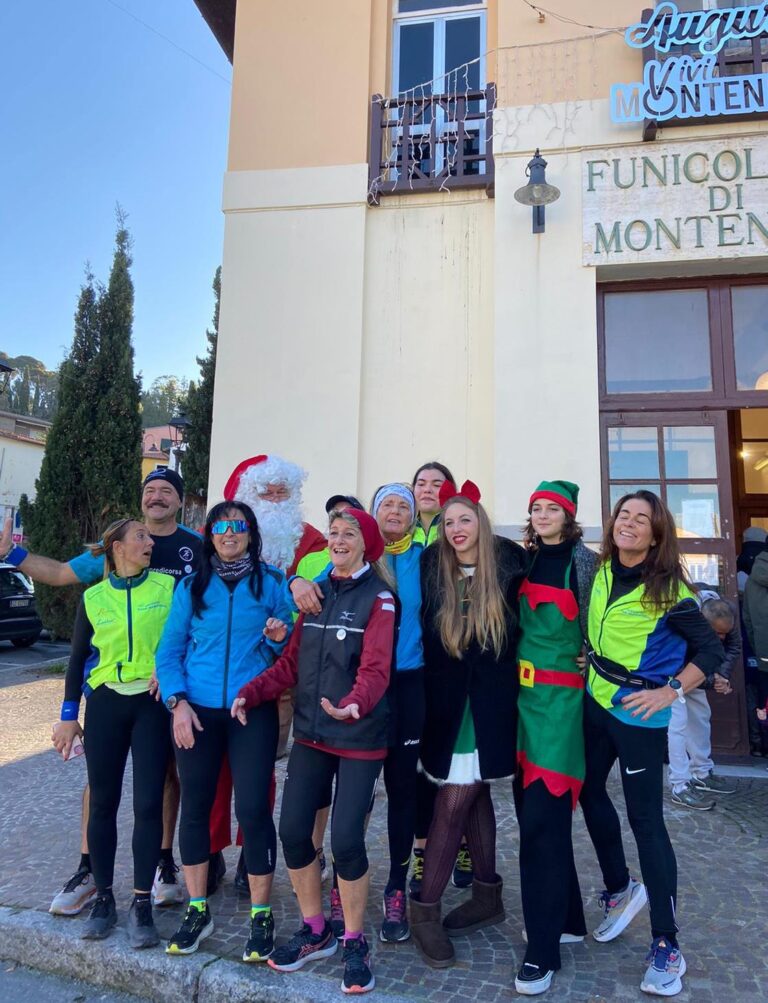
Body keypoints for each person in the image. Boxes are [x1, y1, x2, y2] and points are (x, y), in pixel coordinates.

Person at [10, 469, 202, 915]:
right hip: (108, 695)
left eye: (166, 491)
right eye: (150, 490)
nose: (157, 497)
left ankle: (162, 864)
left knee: (165, 778)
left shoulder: (195, 548)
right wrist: (12, 554)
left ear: (179, 501)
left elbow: (203, 616)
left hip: (160, 694)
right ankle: (90, 871)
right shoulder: (111, 551)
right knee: (100, 786)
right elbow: (60, 572)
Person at [232, 507, 396, 995]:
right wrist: (252, 692)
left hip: (358, 736)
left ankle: (354, 941)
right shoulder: (316, 594)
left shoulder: (380, 599)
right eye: (334, 533)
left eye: (349, 534)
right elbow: (290, 665)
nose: (338, 541)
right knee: (293, 832)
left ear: (366, 544)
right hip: (311, 733)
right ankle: (315, 930)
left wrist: (353, 704)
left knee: (345, 840)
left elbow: (376, 670)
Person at [579, 490, 724, 998]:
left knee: (646, 822)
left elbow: (710, 651)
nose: (629, 523)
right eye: (624, 515)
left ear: (657, 533)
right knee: (586, 789)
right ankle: (620, 889)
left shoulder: (672, 590)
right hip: (595, 702)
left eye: (642, 519)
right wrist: (590, 656)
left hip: (639, 715)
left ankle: (667, 943)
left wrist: (671, 690)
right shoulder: (601, 570)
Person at [156, 501, 293, 960]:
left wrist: (278, 640)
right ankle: (198, 909)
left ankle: (261, 913)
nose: (229, 533)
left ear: (251, 533)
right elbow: (169, 651)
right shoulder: (192, 585)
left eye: (237, 526)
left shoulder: (272, 583)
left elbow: (290, 647)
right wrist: (176, 703)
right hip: (196, 711)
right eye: (220, 527)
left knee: (253, 809)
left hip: (249, 709)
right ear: (209, 535)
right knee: (195, 807)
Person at [410, 480, 525, 969]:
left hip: (493, 703)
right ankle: (485, 895)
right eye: (448, 522)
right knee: (470, 795)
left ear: (481, 521)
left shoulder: (510, 565)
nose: (456, 529)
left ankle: (425, 909)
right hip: (448, 705)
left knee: (456, 799)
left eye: (465, 519)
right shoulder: (431, 567)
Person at [51, 519, 175, 946]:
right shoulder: (93, 597)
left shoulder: (167, 588)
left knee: (148, 803)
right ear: (117, 547)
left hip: (151, 704)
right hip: (105, 704)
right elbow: (76, 659)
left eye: (149, 537)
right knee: (103, 802)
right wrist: (69, 715)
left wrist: (169, 670)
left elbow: (182, 640)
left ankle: (142, 903)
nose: (149, 542)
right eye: (140, 536)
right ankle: (103, 898)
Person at [513, 480, 597, 996]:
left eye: (552, 509)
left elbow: (604, 624)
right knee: (533, 814)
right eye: (536, 508)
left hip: (563, 706)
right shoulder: (521, 561)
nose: (543, 515)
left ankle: (541, 952)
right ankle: (567, 920)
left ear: (569, 516)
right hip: (522, 704)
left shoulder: (588, 564)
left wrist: (596, 659)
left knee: (541, 823)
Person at [668, 593, 739, 810]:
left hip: (697, 668)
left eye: (724, 633)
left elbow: (733, 646)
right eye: (717, 633)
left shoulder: (726, 613)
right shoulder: (683, 614)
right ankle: (680, 784)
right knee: (677, 725)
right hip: (673, 672)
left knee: (700, 717)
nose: (721, 638)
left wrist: (721, 675)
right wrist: (711, 680)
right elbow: (678, 659)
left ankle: (701, 772)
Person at [744, 550, 768, 756]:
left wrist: (759, 646)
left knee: (763, 700)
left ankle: (764, 747)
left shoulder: (752, 580)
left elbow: (747, 619)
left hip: (763, 652)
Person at [411, 462, 455, 547]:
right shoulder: (402, 529)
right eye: (421, 484)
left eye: (436, 485)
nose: (427, 490)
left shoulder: (457, 530)